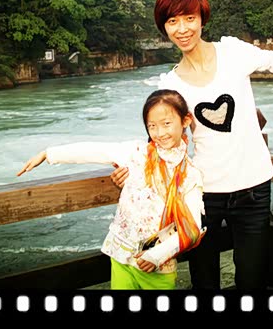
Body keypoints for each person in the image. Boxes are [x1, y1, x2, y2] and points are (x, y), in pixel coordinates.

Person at [111, 0, 273, 290]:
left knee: (252, 278)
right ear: (164, 27)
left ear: (201, 19)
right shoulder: (171, 85)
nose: (182, 29)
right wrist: (133, 169)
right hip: (202, 194)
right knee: (204, 280)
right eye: (172, 21)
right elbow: (164, 138)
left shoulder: (233, 53)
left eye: (189, 18)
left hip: (253, 187)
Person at [17, 89, 206, 290]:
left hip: (157, 267)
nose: (160, 133)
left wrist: (156, 256)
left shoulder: (190, 174)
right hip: (121, 254)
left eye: (167, 123)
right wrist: (48, 154)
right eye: (152, 126)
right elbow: (95, 150)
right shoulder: (137, 153)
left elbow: (192, 227)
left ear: (185, 120)